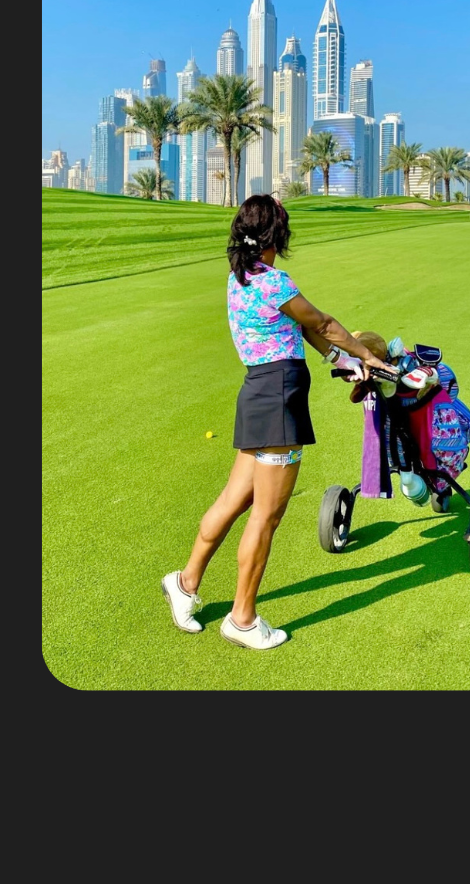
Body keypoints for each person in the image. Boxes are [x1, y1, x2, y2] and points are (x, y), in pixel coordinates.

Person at [162, 194, 395, 649]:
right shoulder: (274, 282)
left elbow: (302, 328)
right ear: (276, 236)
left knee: (235, 500)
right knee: (267, 516)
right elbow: (323, 322)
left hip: (258, 393)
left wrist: (338, 358)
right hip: (278, 400)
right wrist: (366, 355)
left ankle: (185, 583)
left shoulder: (241, 277)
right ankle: (242, 620)